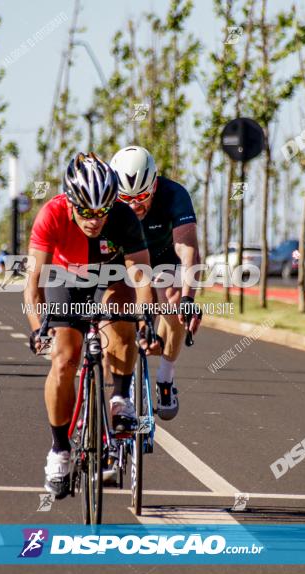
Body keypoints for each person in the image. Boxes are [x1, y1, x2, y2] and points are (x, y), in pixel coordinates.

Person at [24, 152, 159, 499]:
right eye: (86, 212)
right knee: (65, 358)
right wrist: (39, 326)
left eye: (102, 212)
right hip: (65, 278)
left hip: (110, 275)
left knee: (123, 315)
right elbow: (33, 284)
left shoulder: (124, 217)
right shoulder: (50, 214)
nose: (95, 220)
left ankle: (118, 399)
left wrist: (147, 319)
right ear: (70, 202)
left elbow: (142, 276)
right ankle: (59, 450)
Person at [109, 146, 202, 421]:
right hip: (124, 257)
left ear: (155, 184)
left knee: (174, 304)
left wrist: (188, 299)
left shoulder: (174, 195)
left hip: (164, 255)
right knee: (113, 319)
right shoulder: (109, 200)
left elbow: (188, 251)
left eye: (141, 197)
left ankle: (165, 378)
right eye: (126, 199)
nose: (135, 206)